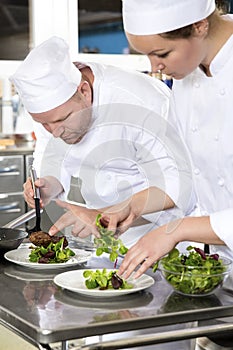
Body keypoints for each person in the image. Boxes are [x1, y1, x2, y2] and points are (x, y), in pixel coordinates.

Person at [10, 36, 193, 247]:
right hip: (101, 240)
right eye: (43, 123)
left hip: (163, 238)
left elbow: (178, 181)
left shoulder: (142, 100)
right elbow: (53, 156)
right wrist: (46, 185)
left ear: (84, 92)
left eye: (61, 120)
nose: (55, 132)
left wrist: (100, 215)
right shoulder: (52, 111)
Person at [111, 0, 233, 279]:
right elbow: (194, 175)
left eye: (161, 53)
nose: (156, 67)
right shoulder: (187, 74)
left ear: (199, 26)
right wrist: (133, 205)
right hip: (220, 267)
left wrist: (177, 230)